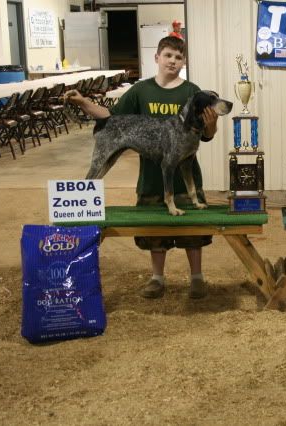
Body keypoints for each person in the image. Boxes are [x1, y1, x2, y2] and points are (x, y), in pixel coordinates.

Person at [66, 36, 218, 300]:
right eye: (168, 55)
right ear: (157, 57)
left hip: (185, 180)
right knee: (153, 231)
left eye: (178, 57)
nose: (172, 61)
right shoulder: (141, 90)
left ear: (184, 62)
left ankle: (197, 278)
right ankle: (157, 278)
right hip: (150, 179)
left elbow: (206, 135)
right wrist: (83, 102)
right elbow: (111, 117)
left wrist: (211, 123)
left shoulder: (192, 92)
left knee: (193, 231)